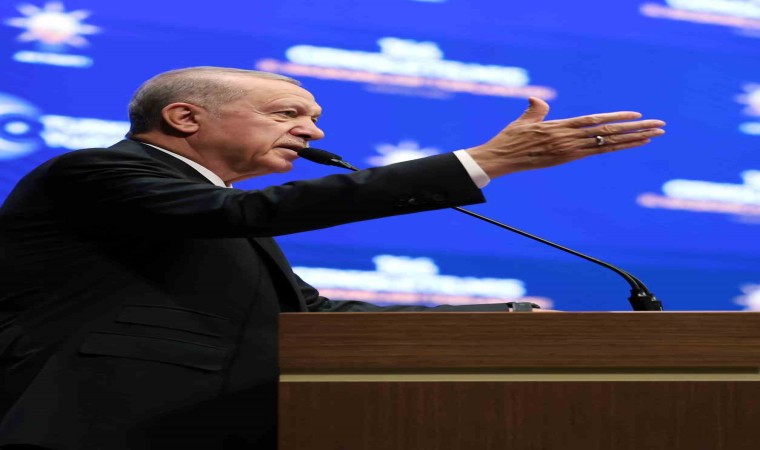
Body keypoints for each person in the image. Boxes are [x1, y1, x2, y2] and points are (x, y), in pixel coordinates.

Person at [0, 67, 665, 449]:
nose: (313, 131)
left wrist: (505, 322)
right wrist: (480, 163)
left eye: (314, 117)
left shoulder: (211, 209)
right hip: (96, 426)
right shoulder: (96, 173)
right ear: (184, 118)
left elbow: (309, 314)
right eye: (288, 113)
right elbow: (244, 214)